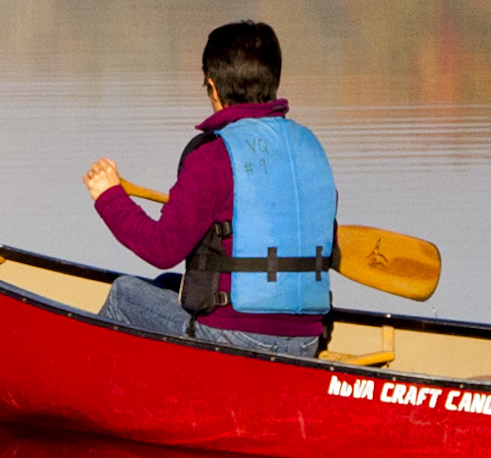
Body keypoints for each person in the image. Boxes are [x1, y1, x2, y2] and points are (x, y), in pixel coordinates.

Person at [82, 19, 336, 355]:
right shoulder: (311, 148)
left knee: (125, 294)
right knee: (168, 287)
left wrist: (110, 197)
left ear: (213, 88)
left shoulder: (213, 156)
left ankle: (91, 387)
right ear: (273, 80)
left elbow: (162, 249)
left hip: (237, 338)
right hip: (307, 339)